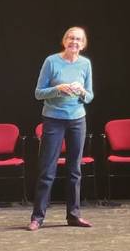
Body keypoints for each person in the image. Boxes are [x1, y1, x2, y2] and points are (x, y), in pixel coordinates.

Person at [27, 27, 93, 231]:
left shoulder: (85, 64)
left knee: (75, 170)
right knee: (48, 170)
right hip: (54, 120)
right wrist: (58, 89)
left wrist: (82, 92)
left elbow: (90, 96)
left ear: (83, 44)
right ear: (64, 41)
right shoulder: (51, 61)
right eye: (71, 38)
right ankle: (37, 217)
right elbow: (38, 93)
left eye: (78, 39)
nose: (74, 42)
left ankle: (73, 215)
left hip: (77, 120)